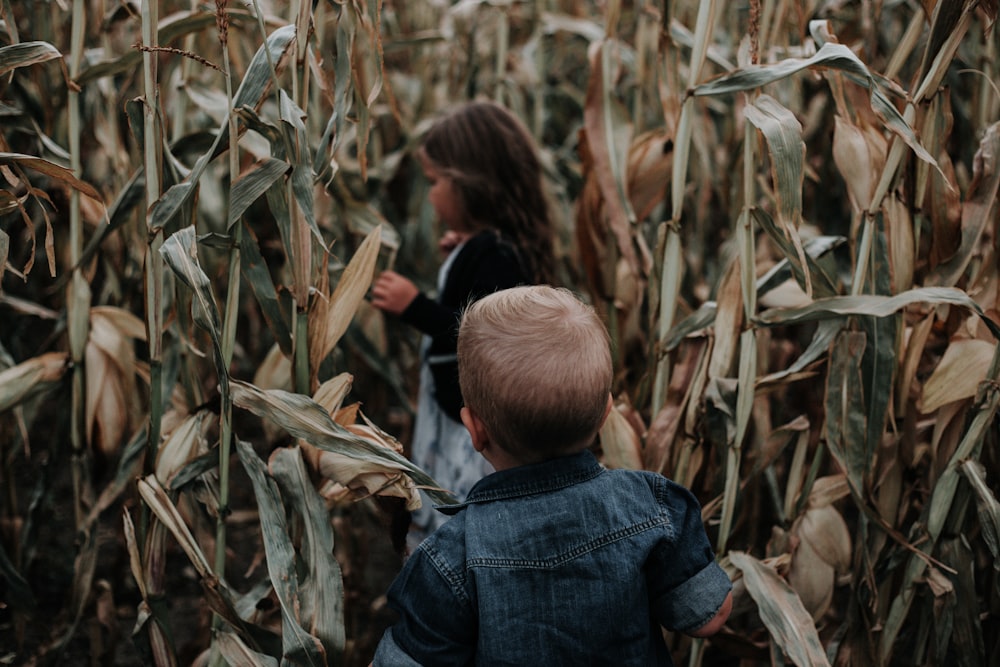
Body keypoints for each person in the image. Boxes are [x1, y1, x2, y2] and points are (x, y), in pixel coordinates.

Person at [372, 286, 734, 666]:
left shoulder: (449, 558)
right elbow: (708, 617)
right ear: (605, 416)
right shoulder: (651, 506)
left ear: (475, 430)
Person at [371, 100, 556, 546]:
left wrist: (414, 306)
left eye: (435, 183)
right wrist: (460, 255)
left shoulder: (498, 257)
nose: (430, 196)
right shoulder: (488, 247)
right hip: (456, 415)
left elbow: (483, 332)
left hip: (470, 428)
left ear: (473, 185)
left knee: (459, 507)